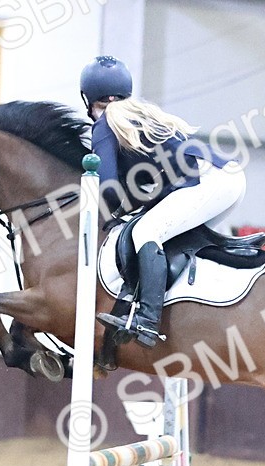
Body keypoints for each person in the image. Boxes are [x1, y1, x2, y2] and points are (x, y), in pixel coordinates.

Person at [79, 55, 244, 348]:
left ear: (87, 99)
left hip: (210, 181)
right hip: (225, 177)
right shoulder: (141, 114)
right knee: (164, 234)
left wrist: (105, 210)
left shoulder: (105, 123)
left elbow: (106, 186)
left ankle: (148, 320)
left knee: (145, 232)